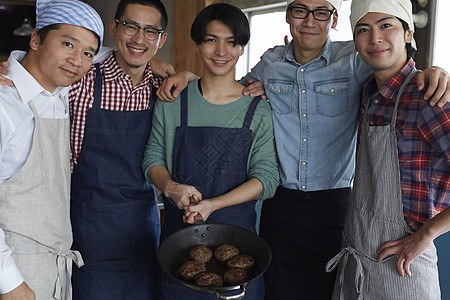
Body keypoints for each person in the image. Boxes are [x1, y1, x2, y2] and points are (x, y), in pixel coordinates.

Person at [156, 0, 450, 299]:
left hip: (336, 206)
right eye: (300, 10)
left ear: (334, 20)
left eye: (321, 11)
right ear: (288, 15)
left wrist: (435, 70)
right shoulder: (270, 65)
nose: (310, 20)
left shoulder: (357, 59)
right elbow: (226, 85)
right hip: (280, 206)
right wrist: (189, 78)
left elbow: (395, 65)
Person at [142, 3, 279, 299]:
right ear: (197, 44)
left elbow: (266, 179)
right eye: (211, 40)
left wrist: (212, 205)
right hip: (178, 253)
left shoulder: (258, 108)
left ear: (242, 48)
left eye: (232, 42)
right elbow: (152, 157)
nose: (221, 51)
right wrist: (171, 186)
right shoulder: (172, 101)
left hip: (242, 251)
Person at [326, 0, 450, 299]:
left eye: (386, 26)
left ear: (408, 34)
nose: (375, 38)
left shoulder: (428, 97)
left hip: (404, 271)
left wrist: (426, 235)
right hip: (356, 263)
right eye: (363, 30)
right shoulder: (369, 93)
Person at [0, 0, 103, 299]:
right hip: (14, 272)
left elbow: (105, 55)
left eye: (87, 54)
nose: (77, 61)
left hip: (54, 269)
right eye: (68, 44)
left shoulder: (58, 92)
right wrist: (11, 284)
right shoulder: (6, 103)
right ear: (35, 39)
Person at [67, 0, 169, 299]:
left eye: (150, 31)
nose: (139, 39)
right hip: (86, 232)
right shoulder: (81, 80)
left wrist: (187, 76)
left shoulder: (166, 90)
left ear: (161, 39)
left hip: (142, 231)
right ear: (114, 29)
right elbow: (40, 65)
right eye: (131, 26)